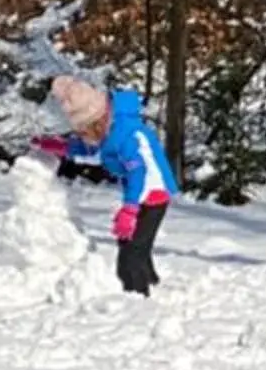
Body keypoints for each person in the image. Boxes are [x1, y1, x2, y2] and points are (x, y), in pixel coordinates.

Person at [34, 72, 177, 294]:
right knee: (135, 244)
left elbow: (140, 174)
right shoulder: (110, 130)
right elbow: (93, 151)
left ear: (96, 122)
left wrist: (130, 209)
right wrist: (61, 147)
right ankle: (151, 281)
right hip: (141, 194)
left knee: (130, 252)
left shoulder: (127, 136)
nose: (80, 135)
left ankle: (139, 298)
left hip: (154, 193)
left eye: (83, 130)